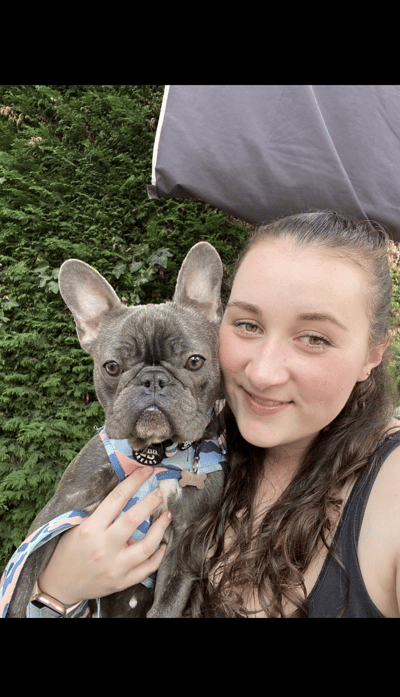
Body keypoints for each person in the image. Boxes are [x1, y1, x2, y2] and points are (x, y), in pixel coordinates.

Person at [2, 210, 400, 617]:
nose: (262, 373)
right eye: (247, 324)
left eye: (314, 338)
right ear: (219, 321)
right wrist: (55, 590)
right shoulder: (207, 440)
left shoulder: (392, 486)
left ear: (373, 354)